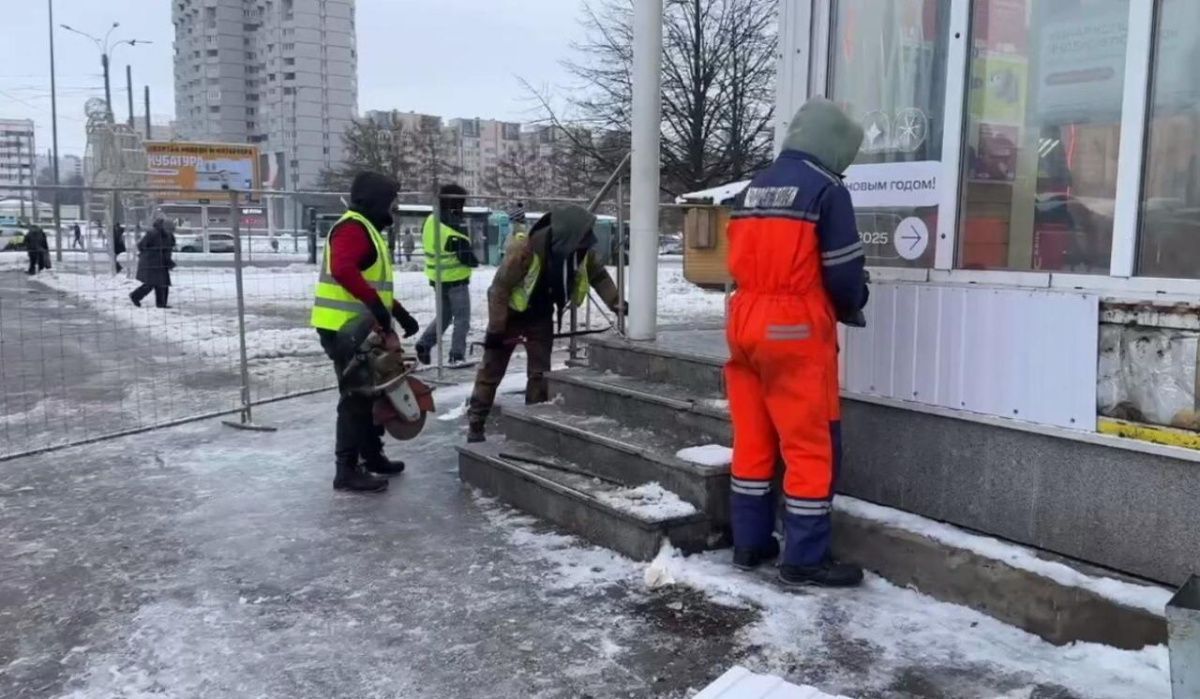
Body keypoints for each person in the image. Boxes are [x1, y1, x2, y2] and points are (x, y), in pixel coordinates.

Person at [724, 97, 871, 589]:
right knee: (810, 443)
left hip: (744, 321)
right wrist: (853, 301)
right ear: (833, 146)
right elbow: (843, 270)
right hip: (794, 329)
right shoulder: (825, 190)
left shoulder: (754, 187)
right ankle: (804, 558)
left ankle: (750, 543)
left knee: (754, 436)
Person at [466, 205, 625, 443]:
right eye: (584, 237)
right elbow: (498, 290)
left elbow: (599, 276)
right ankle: (476, 424)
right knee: (491, 371)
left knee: (539, 374)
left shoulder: (581, 253)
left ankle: (533, 423)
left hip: (540, 316)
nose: (589, 242)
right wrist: (496, 331)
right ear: (568, 235)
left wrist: (617, 302)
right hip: (510, 316)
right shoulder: (524, 250)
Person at [310, 171, 421, 494]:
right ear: (374, 201)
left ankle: (372, 456)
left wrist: (398, 312)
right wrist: (375, 305)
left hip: (359, 327)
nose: (393, 209)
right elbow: (343, 269)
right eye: (390, 202)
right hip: (345, 329)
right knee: (356, 397)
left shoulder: (366, 229)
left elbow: (369, 281)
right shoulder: (352, 228)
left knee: (374, 391)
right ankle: (346, 470)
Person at [414, 184, 479, 367]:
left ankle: (425, 344)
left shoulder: (430, 220)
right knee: (462, 319)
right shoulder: (453, 224)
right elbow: (467, 257)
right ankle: (457, 355)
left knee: (443, 316)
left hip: (436, 278)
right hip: (456, 280)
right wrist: (475, 260)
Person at [130, 219, 177, 308]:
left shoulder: (169, 236)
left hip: (161, 262)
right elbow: (141, 246)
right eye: (169, 230)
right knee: (152, 283)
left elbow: (168, 251)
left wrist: (168, 261)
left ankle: (161, 304)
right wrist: (152, 253)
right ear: (164, 227)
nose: (170, 232)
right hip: (150, 262)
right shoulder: (153, 233)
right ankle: (135, 296)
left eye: (172, 230)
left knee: (163, 283)